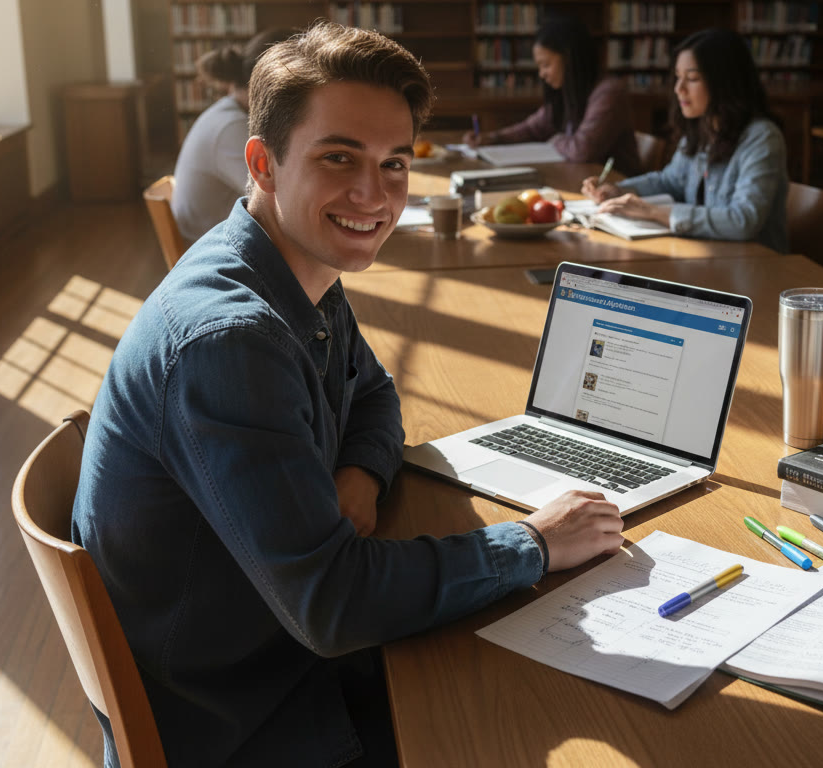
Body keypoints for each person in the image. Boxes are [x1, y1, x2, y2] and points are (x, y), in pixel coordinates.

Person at [73, 22, 625, 768]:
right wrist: (532, 542)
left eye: (394, 164)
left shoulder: (292, 260)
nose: (374, 195)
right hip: (250, 717)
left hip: (265, 650)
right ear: (263, 163)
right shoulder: (232, 339)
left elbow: (374, 394)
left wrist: (358, 476)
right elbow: (332, 607)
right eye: (339, 158)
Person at [580, 28, 789, 249]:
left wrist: (653, 212)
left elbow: (743, 220)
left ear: (724, 82)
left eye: (692, 78)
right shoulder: (702, 128)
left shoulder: (762, 138)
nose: (679, 89)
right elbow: (671, 181)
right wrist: (620, 189)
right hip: (710, 254)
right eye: (678, 77)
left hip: (758, 265)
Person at [461, 16, 641, 175]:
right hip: (583, 181)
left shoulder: (609, 93)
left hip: (616, 188)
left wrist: (555, 140)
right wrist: (493, 138)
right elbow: (533, 128)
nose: (542, 74)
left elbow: (582, 150)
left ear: (570, 58)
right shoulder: (568, 91)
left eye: (546, 64)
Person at [171, 27, 293, 243]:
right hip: (213, 247)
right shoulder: (231, 127)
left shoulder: (229, 112)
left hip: (218, 237)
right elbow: (278, 200)